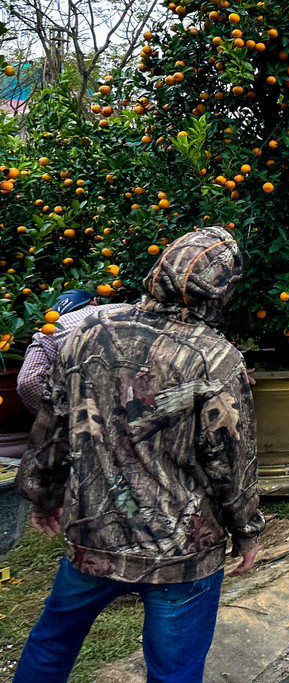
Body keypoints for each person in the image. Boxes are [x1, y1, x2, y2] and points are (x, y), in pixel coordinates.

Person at [16, 227, 263, 683]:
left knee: (52, 644)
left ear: (157, 271)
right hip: (180, 549)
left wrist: (45, 493)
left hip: (94, 533)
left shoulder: (84, 335)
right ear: (223, 290)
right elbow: (231, 460)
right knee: (174, 672)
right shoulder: (215, 358)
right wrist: (246, 531)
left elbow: (52, 426)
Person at [17, 289, 109, 413]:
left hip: (90, 408)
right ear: (95, 301)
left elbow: (28, 382)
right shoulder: (130, 308)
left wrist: (57, 414)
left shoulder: (48, 331)